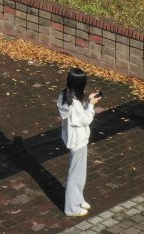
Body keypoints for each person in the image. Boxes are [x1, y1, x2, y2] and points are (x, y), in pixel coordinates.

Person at [57, 68, 99, 217]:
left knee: (79, 173)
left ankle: (78, 199)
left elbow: (78, 117)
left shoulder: (64, 95)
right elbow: (85, 120)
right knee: (76, 174)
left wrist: (87, 102)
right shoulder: (74, 103)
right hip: (78, 141)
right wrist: (91, 105)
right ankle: (71, 208)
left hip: (72, 139)